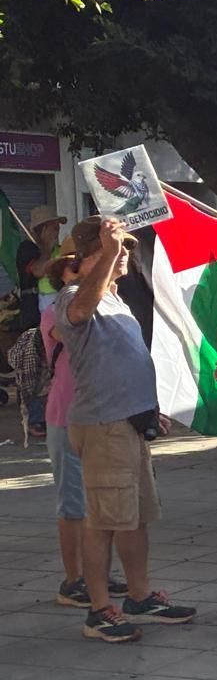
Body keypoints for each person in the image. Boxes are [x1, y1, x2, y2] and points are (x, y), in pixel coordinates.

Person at [55, 216, 196, 642]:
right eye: (113, 248)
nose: (123, 256)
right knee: (104, 521)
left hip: (129, 422)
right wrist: (108, 252)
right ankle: (99, 610)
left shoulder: (116, 300)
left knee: (135, 518)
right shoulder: (74, 296)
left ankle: (139, 595)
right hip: (103, 426)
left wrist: (148, 407)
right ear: (85, 257)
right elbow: (80, 311)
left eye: (126, 249)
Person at [42, 253, 126, 610]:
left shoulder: (106, 304)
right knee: (72, 503)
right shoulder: (55, 311)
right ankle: (73, 579)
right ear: (62, 276)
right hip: (66, 415)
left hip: (98, 415)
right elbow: (75, 329)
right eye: (73, 266)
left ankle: (97, 574)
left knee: (99, 502)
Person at [16, 205, 67, 437]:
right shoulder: (28, 249)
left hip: (58, 313)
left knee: (55, 366)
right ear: (40, 229)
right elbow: (38, 270)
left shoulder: (61, 249)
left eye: (57, 226)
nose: (56, 231)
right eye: (52, 227)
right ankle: (36, 418)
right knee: (36, 368)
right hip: (35, 318)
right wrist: (45, 248)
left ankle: (55, 412)